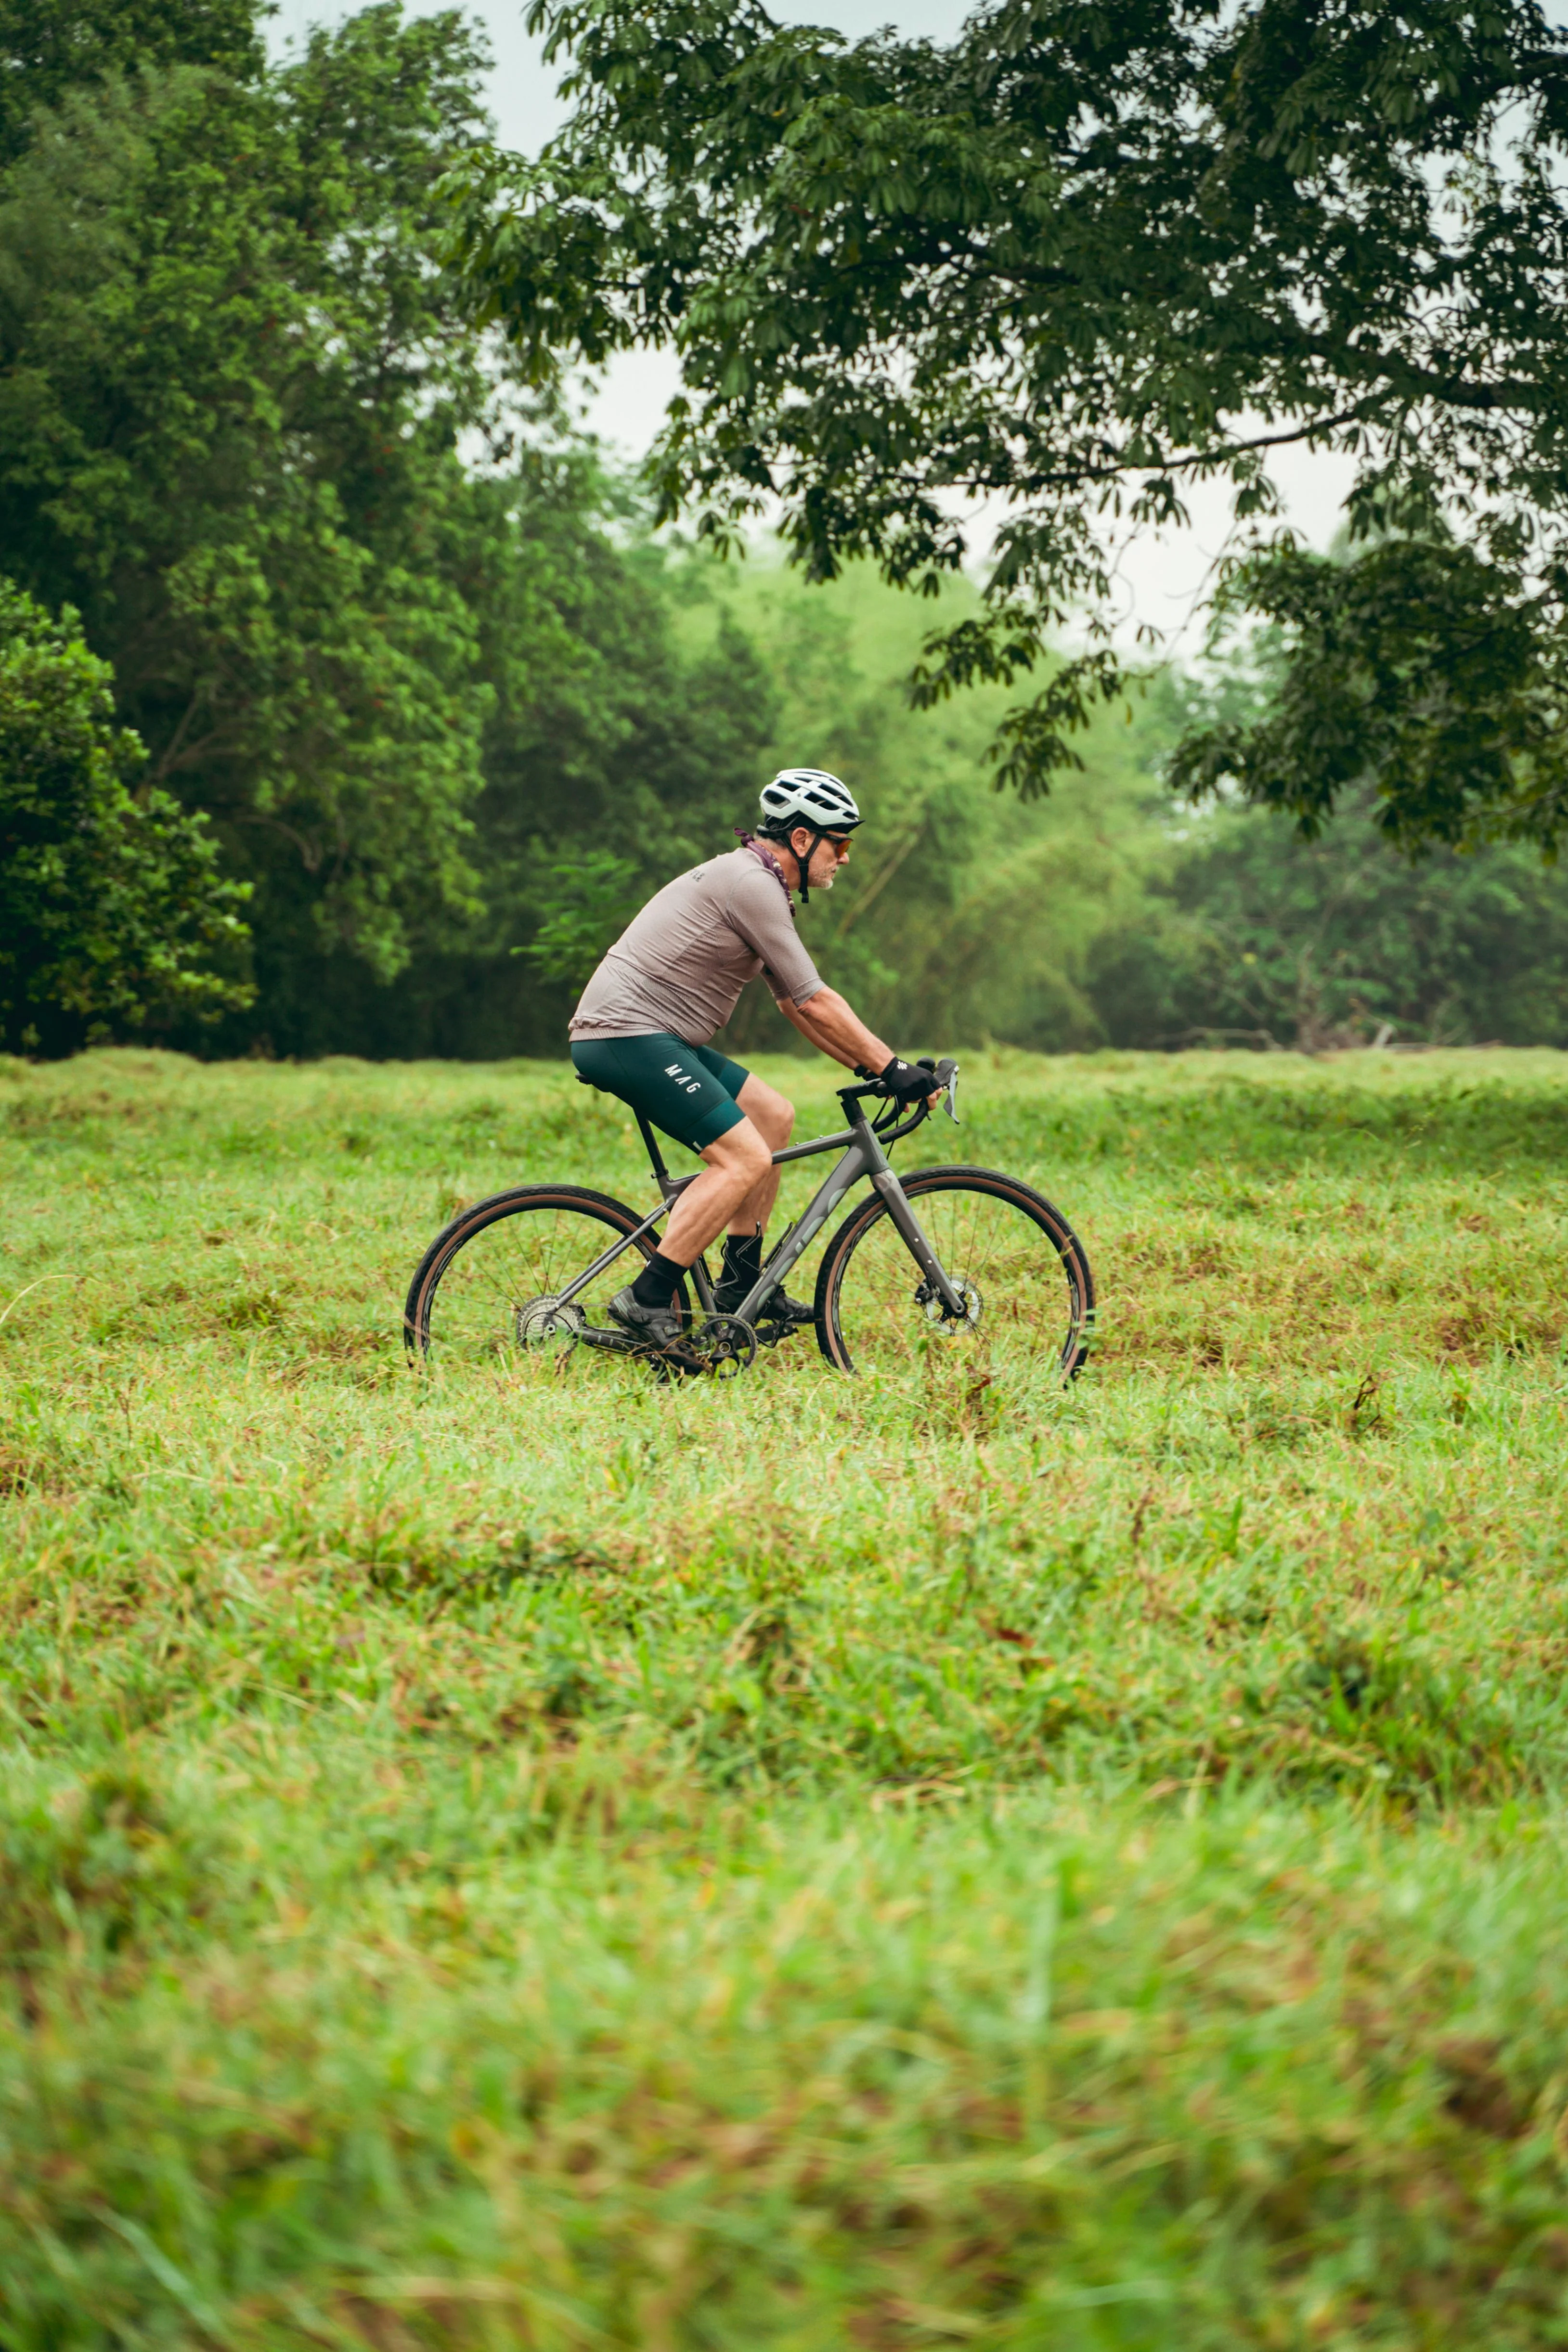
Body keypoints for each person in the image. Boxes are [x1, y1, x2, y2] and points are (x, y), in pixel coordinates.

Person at [569, 768, 939, 1347]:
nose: (844, 858)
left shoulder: (759, 884)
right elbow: (815, 999)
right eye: (839, 842)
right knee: (743, 1158)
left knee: (772, 1116)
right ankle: (645, 1299)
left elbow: (794, 1003)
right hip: (626, 1034)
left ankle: (741, 1290)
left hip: (652, 1035)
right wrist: (893, 1068)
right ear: (800, 839)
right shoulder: (750, 885)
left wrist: (870, 1067)